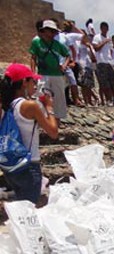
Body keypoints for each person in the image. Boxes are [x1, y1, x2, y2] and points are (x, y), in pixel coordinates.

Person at [0, 63, 59, 204]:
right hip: (28, 164)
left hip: (11, 165)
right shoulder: (30, 106)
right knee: (29, 211)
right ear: (24, 82)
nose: (35, 84)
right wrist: (49, 107)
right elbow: (53, 132)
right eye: (33, 81)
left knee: (22, 207)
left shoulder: (7, 105)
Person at [29, 19, 71, 120]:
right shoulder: (36, 42)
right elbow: (33, 58)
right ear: (45, 30)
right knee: (42, 97)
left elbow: (68, 55)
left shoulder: (57, 44)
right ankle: (43, 121)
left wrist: (64, 65)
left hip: (57, 75)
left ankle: (56, 123)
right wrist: (33, 73)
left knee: (59, 100)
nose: (53, 34)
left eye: (55, 31)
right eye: (51, 31)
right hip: (43, 74)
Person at [92, 22, 114, 106]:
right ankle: (108, 100)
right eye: (104, 28)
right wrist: (104, 41)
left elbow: (109, 51)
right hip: (101, 62)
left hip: (109, 62)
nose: (105, 30)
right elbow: (96, 48)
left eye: (106, 28)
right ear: (101, 28)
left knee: (113, 82)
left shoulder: (108, 38)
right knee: (104, 83)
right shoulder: (97, 37)